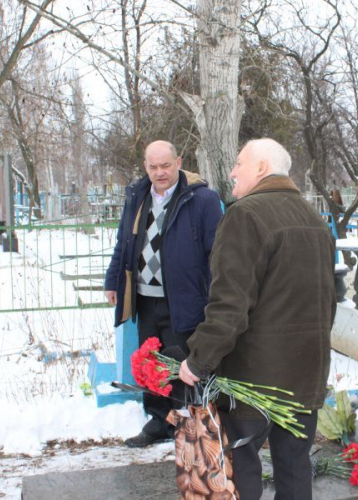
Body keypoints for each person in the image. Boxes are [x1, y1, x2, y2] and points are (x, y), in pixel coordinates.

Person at [178, 138, 337, 500]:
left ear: (262, 168)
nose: (232, 171)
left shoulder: (244, 215)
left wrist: (198, 359)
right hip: (304, 376)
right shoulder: (315, 221)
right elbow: (328, 302)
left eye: (239, 163)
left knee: (239, 470)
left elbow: (229, 304)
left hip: (254, 380)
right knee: (295, 471)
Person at [104, 140, 223, 448]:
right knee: (151, 363)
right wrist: (113, 281)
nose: (160, 173)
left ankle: (196, 424)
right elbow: (123, 244)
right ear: (146, 167)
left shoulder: (202, 200)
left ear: (178, 162)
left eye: (166, 165)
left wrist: (215, 295)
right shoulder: (137, 197)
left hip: (184, 299)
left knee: (185, 362)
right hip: (145, 297)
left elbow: (217, 252)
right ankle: (160, 423)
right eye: (153, 167)